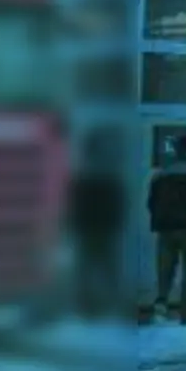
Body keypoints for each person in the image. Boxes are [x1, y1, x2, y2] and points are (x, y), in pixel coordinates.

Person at [144, 133, 186, 325]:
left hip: (165, 230)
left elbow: (151, 203)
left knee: (164, 272)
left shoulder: (159, 176)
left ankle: (160, 307)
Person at [67, 129, 127, 319]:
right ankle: (112, 307)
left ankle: (86, 307)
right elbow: (117, 205)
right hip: (103, 229)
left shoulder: (83, 176)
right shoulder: (108, 176)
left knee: (87, 270)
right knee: (107, 270)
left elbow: (73, 205)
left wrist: (74, 225)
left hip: (87, 229)